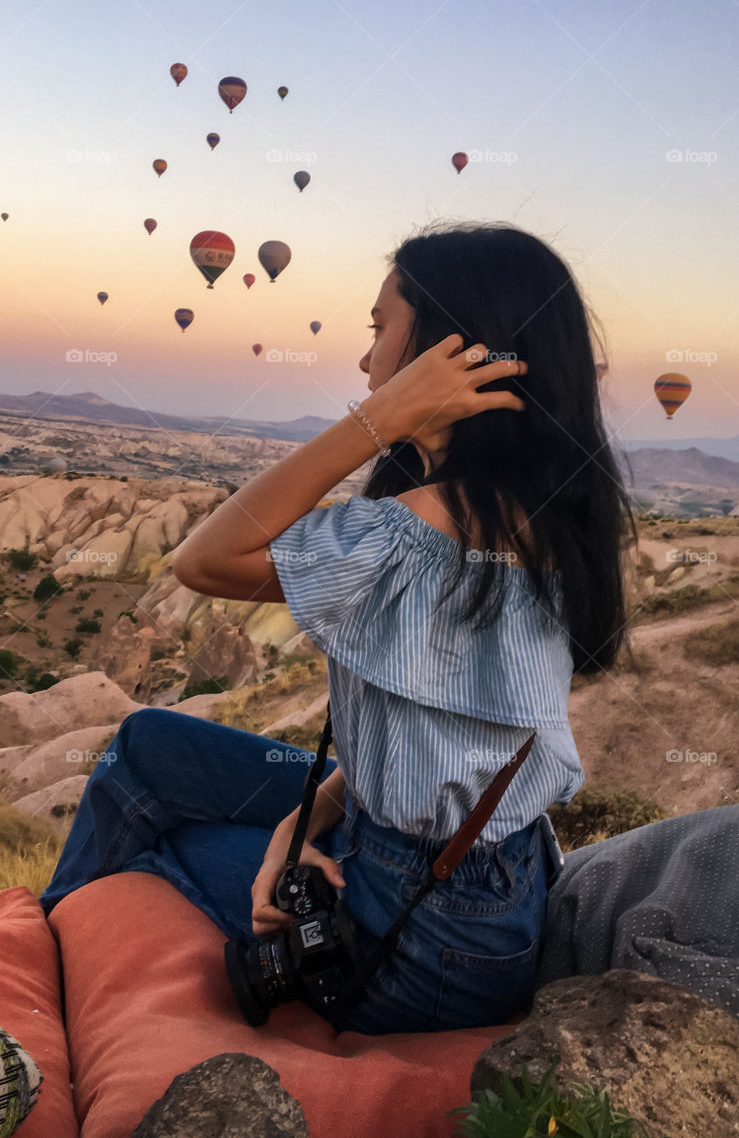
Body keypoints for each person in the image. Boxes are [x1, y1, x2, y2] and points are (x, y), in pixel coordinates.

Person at [39, 221, 636, 1036]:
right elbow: (438, 747)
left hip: (420, 934)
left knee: (153, 851)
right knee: (152, 742)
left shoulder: (414, 529)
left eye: (378, 329)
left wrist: (376, 419)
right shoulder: (546, 516)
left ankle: (46, 969)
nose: (364, 360)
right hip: (488, 889)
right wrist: (297, 822)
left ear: (446, 346)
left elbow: (205, 560)